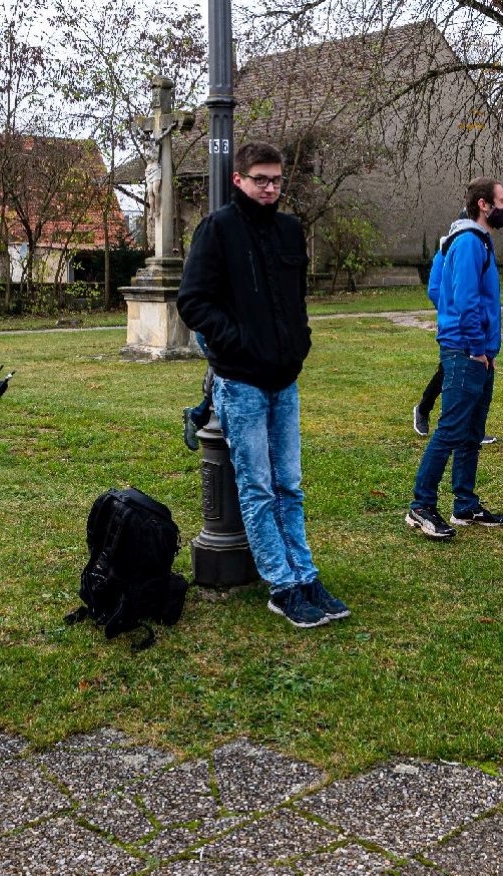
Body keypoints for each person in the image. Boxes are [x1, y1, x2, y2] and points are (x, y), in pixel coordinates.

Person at [177, 141, 348, 628]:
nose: (270, 188)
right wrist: (238, 343)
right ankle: (282, 584)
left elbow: (295, 299)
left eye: (276, 180)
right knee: (257, 487)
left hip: (284, 378)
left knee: (288, 485)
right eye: (260, 180)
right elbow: (193, 302)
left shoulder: (291, 231)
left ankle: (305, 574)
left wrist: (299, 342)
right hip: (241, 382)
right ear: (239, 180)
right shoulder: (218, 230)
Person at [406, 177, 503, 540]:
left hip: (477, 352)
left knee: (471, 433)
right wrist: (474, 346)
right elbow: (464, 300)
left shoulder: (459, 241)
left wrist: (485, 350)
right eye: (501, 199)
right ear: (484, 204)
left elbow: (437, 290)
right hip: (466, 353)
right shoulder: (467, 242)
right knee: (450, 431)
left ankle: (464, 504)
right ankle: (421, 506)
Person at [412, 218, 497, 446]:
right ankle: (424, 409)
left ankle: (472, 430)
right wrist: (453, 311)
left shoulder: (478, 246)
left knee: (471, 375)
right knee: (449, 374)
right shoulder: (451, 247)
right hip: (456, 328)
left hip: (473, 325)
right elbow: (435, 289)